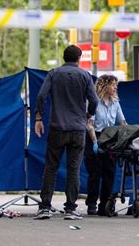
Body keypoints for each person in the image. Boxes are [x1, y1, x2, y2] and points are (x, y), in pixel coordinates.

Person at [34, 45, 98, 220]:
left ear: (64, 57)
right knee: (74, 169)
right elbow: (94, 100)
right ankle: (70, 208)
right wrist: (88, 115)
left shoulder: (54, 74)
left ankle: (45, 207)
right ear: (79, 58)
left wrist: (38, 118)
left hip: (57, 128)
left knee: (51, 167)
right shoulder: (85, 76)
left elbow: (41, 96)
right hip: (78, 129)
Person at [84, 75, 126, 216]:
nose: (115, 88)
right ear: (104, 85)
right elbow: (89, 124)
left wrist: (127, 136)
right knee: (94, 173)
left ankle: (104, 205)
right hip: (94, 136)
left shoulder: (115, 102)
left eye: (116, 85)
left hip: (110, 138)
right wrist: (95, 143)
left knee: (109, 173)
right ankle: (91, 204)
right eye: (113, 85)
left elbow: (122, 122)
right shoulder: (94, 102)